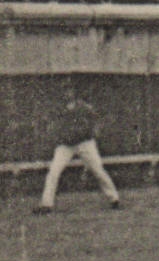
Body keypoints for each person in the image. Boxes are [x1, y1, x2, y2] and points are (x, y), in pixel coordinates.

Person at [35, 83, 121, 214]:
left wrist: (93, 131)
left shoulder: (84, 107)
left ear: (74, 93)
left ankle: (114, 199)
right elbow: (53, 125)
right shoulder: (59, 109)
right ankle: (46, 204)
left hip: (85, 143)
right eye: (65, 91)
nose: (67, 93)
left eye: (69, 90)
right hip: (66, 145)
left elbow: (96, 119)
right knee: (53, 171)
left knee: (98, 170)